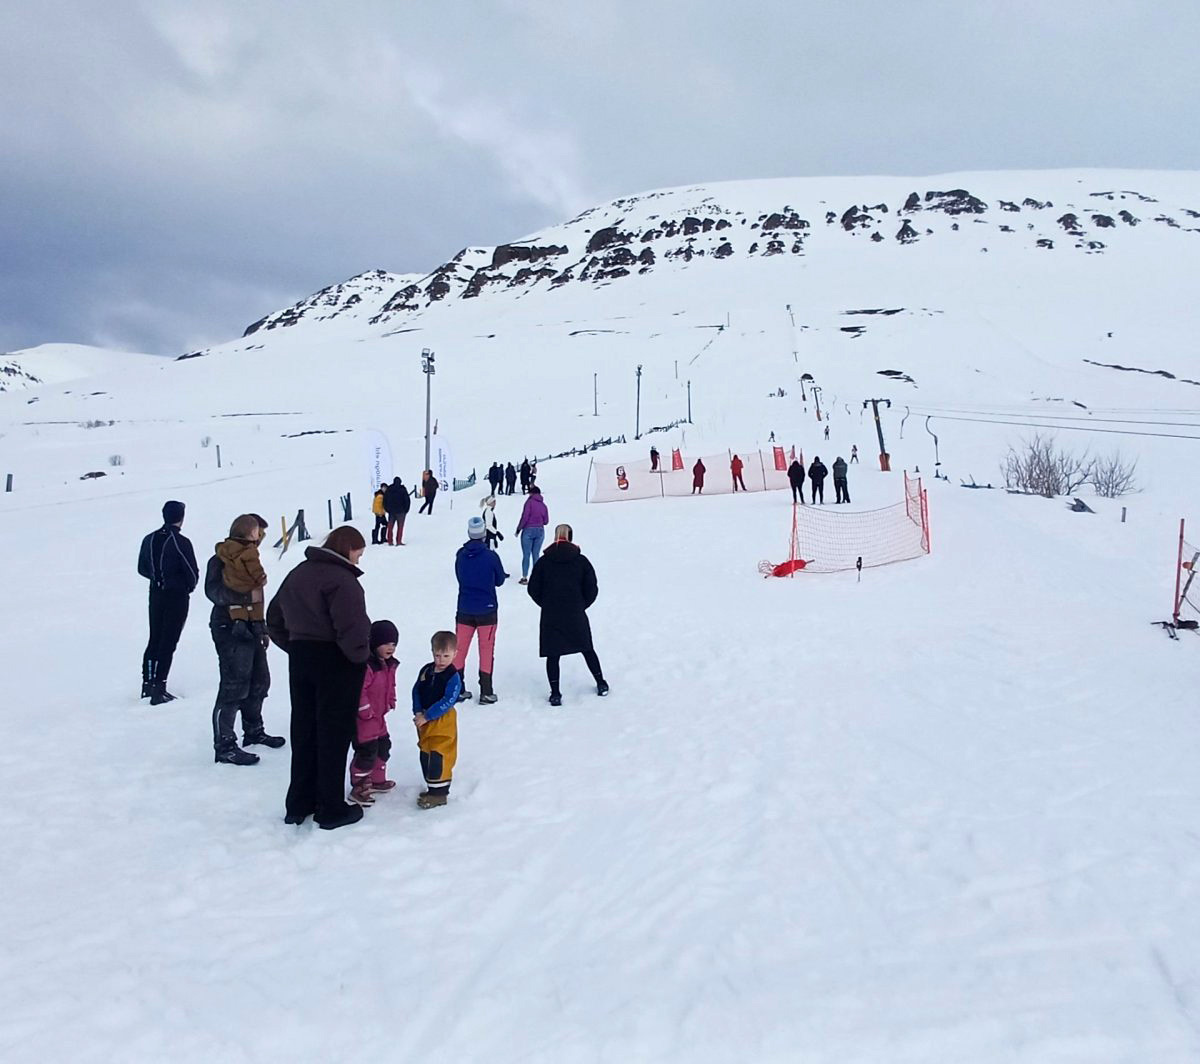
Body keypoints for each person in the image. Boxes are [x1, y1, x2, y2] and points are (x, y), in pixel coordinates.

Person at [267, 525, 371, 830]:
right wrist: (359, 658)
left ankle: (299, 803)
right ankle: (331, 808)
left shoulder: (298, 573)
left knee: (304, 731)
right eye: (358, 554)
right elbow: (352, 629)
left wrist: (297, 646)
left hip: (301, 660)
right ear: (347, 549)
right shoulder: (343, 581)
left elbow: (273, 619)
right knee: (333, 735)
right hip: (336, 663)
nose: (358, 562)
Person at [206, 514, 282, 766]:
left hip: (251, 627)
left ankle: (253, 730)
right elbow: (212, 591)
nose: (260, 538)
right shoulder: (220, 560)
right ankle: (225, 744)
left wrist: (261, 628)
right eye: (258, 532)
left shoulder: (252, 561)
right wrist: (240, 594)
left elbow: (258, 599)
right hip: (228, 626)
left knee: (260, 680)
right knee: (233, 684)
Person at [527, 524, 607, 706]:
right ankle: (601, 682)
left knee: (552, 653)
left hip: (551, 613)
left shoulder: (544, 561)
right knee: (587, 648)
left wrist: (546, 604)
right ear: (570, 537)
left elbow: (533, 589)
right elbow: (592, 588)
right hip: (575, 612)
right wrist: (581, 605)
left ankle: (555, 693)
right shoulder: (581, 560)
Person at [138, 499, 199, 705]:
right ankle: (159, 687)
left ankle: (148, 684)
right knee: (168, 641)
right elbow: (192, 573)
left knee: (155, 638)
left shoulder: (150, 539)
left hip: (155, 594)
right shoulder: (180, 541)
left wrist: (158, 579)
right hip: (176, 596)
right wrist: (184, 586)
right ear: (181, 517)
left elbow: (142, 568)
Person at [453, 516, 508, 704]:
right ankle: (486, 691)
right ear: (484, 534)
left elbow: (459, 576)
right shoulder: (491, 557)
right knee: (486, 649)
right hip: (487, 610)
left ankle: (457, 689)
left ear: (469, 533)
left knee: (459, 649)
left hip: (465, 608)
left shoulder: (460, 554)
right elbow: (500, 580)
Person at [349, 620, 399, 807]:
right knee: (366, 752)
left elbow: (389, 685)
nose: (391, 648)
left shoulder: (388, 665)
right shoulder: (368, 666)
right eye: (386, 643)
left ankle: (377, 779)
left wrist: (391, 700)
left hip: (378, 717)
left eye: (394, 644)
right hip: (364, 719)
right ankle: (359, 786)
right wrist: (364, 710)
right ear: (375, 642)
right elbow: (360, 690)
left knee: (384, 746)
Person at [412, 630, 463, 809]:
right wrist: (418, 711)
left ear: (455, 654)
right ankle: (431, 787)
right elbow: (416, 690)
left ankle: (439, 793)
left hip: (442, 719)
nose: (441, 660)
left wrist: (428, 715)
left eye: (446, 656)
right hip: (424, 720)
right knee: (425, 751)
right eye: (437, 655)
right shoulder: (427, 670)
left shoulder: (453, 677)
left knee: (439, 754)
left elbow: (448, 700)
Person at [515, 484, 549, 584]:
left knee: (526, 555)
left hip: (528, 530)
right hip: (540, 531)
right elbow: (546, 521)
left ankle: (525, 577)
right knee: (536, 554)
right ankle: (537, 578)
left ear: (532, 493)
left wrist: (519, 529)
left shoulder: (529, 502)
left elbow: (524, 517)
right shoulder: (543, 505)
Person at [384, 476, 410, 545]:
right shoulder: (403, 489)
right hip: (401, 512)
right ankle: (399, 541)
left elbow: (385, 500)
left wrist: (387, 509)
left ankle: (390, 541)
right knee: (400, 527)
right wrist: (406, 510)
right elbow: (407, 500)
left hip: (391, 512)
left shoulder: (389, 489)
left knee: (390, 527)